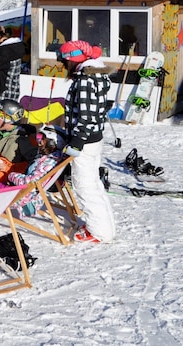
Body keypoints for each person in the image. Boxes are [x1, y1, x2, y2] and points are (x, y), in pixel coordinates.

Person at [58, 40, 115, 243]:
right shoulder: (95, 77)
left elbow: (87, 116)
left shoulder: (85, 81)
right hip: (93, 139)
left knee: (85, 187)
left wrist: (76, 142)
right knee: (93, 184)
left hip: (85, 141)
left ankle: (99, 232)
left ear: (73, 60)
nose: (63, 66)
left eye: (64, 61)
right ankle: (105, 227)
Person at [0, 99, 39, 185]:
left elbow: (32, 165)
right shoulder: (1, 133)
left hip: (2, 177)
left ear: (8, 119)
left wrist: (8, 169)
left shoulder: (23, 140)